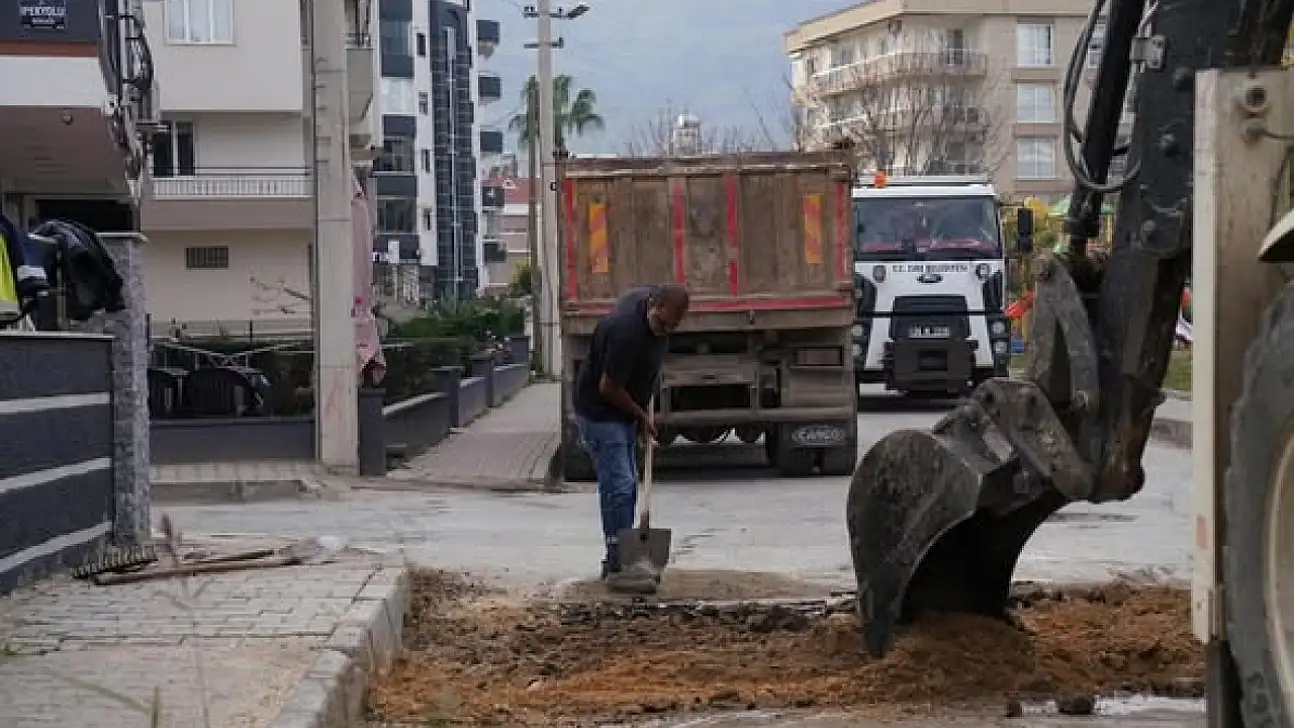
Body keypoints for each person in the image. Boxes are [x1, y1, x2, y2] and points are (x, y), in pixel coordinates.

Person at [573, 284, 691, 583]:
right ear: (653, 306)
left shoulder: (657, 321)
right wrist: (640, 416)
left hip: (624, 411)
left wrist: (643, 402)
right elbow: (608, 388)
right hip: (600, 412)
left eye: (672, 328)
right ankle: (621, 564)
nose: (665, 331)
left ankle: (618, 559)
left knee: (620, 486)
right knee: (621, 485)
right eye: (663, 324)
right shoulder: (625, 333)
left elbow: (647, 369)